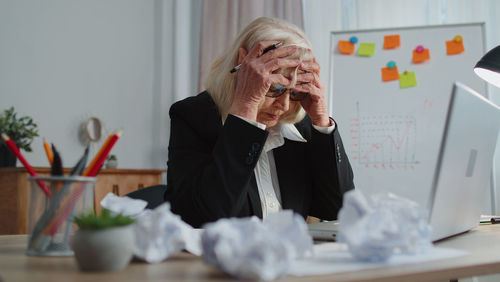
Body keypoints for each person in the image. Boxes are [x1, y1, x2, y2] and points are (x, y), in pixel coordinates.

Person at [164, 17, 354, 228]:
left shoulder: (298, 125)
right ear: (244, 66)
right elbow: (205, 215)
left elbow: (338, 208)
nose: (283, 106)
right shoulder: (193, 116)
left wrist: (321, 121)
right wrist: (247, 107)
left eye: (294, 93)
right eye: (274, 88)